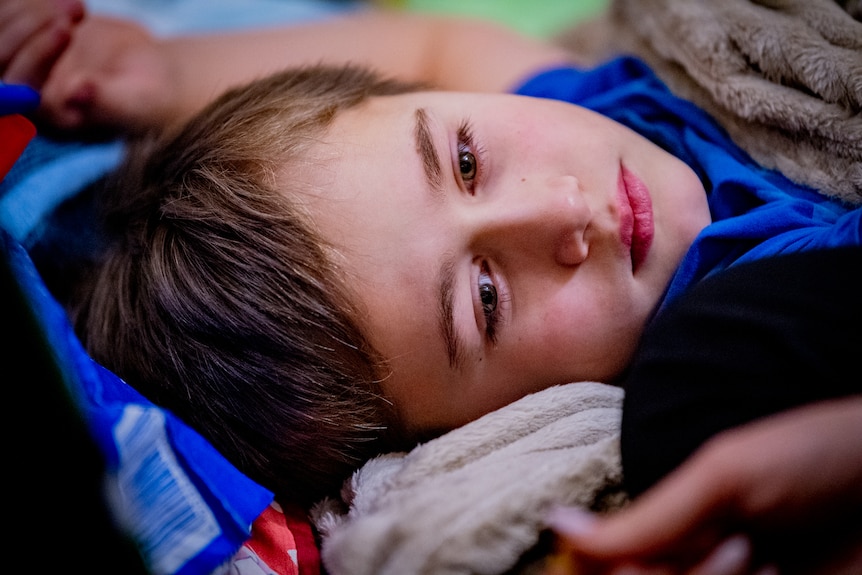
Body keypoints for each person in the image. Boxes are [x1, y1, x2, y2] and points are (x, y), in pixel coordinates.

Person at [2, 1, 860, 572]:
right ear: (475, 426)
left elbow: (431, 47)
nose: (563, 213)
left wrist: (166, 74)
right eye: (485, 299)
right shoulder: (714, 381)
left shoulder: (612, 96)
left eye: (466, 160)